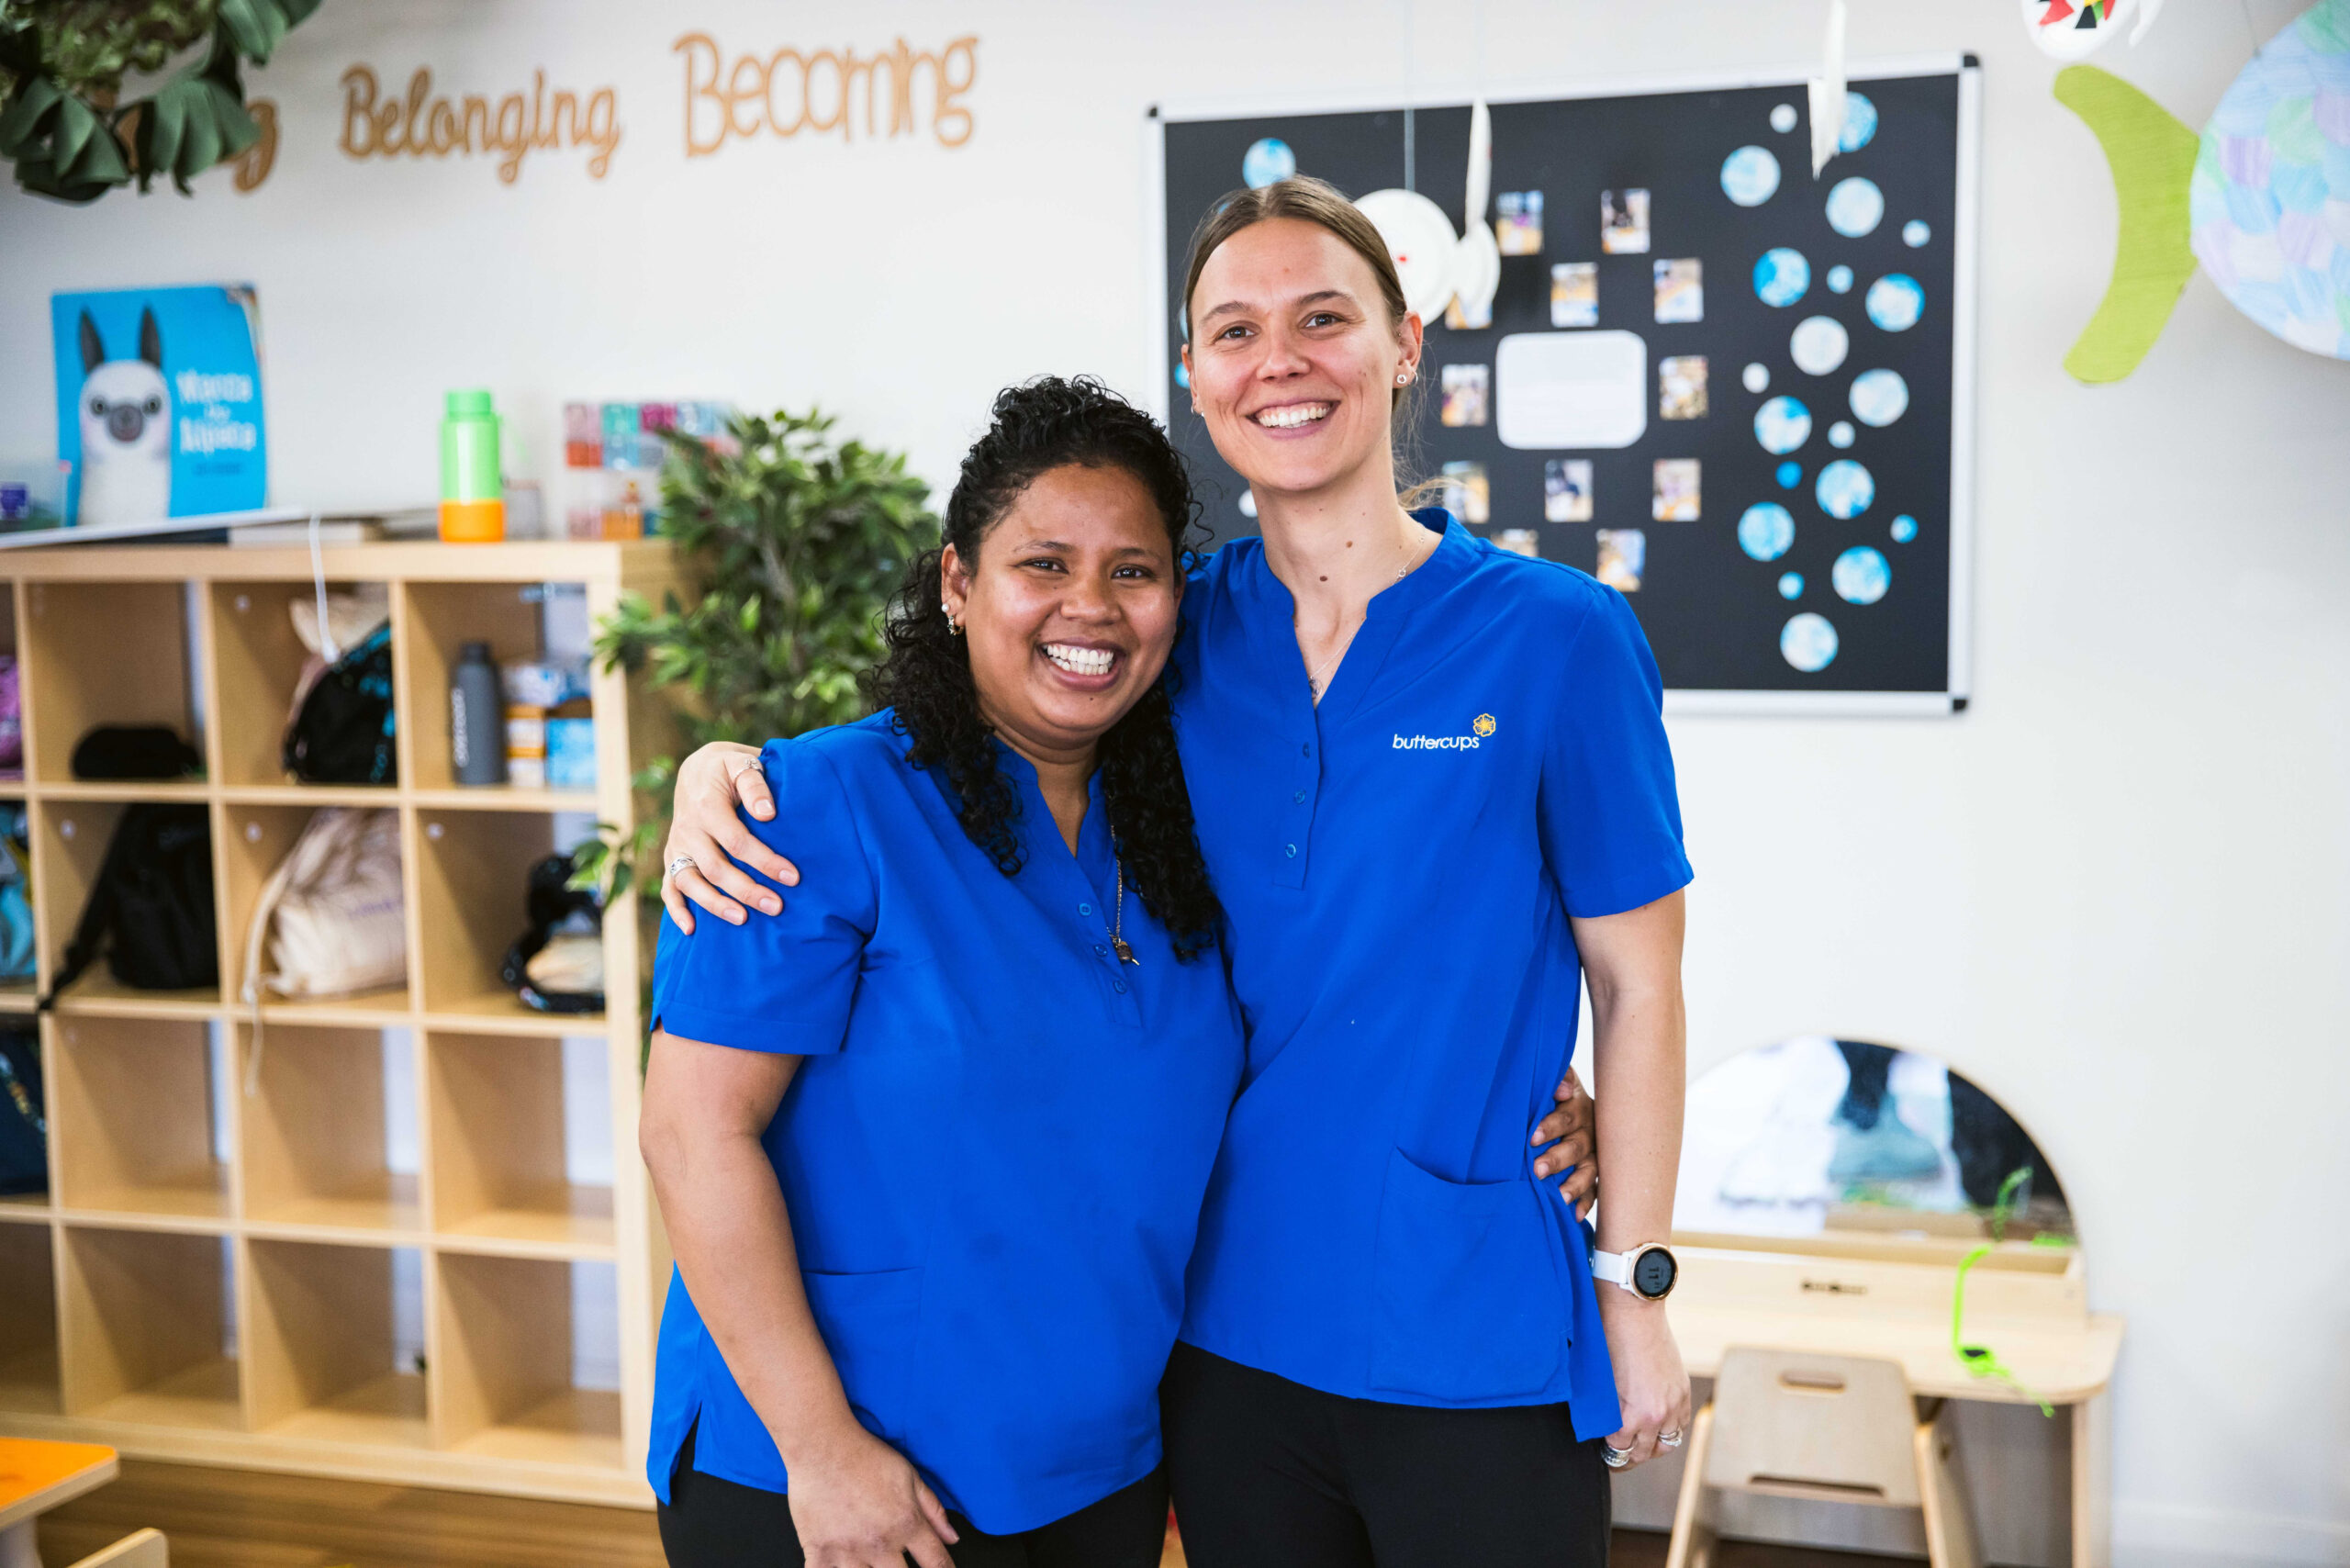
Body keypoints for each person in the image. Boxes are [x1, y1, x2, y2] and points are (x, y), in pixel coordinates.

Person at [660, 176, 1688, 1567]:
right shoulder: (1173, 628)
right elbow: (950, 725)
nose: (1281, 360)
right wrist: (714, 766)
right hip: (1219, 1339)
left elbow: (1638, 986)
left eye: (1325, 317)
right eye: (1234, 330)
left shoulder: (1555, 640)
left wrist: (1635, 1283)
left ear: (1404, 342)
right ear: (1196, 377)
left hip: (1467, 1318)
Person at [641, 378, 1242, 1568]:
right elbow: (691, 1135)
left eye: (1134, 569)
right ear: (958, 583)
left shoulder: (1179, 834)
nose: (1092, 606)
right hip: (841, 1480)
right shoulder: (809, 806)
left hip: (1097, 1468)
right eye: (1044, 564)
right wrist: (822, 1451)